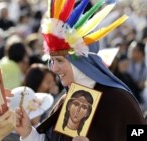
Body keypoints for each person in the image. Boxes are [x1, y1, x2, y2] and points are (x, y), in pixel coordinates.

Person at [15, 0, 146, 141]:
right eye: (52, 60)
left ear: (82, 63)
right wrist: (29, 133)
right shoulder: (66, 100)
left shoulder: (119, 99)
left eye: (60, 60)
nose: (53, 68)